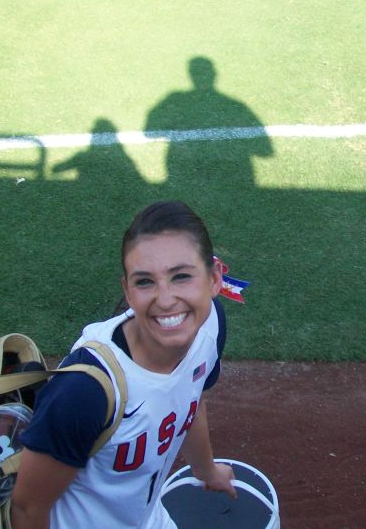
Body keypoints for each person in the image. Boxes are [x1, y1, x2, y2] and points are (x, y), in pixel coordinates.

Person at [12, 201, 237, 528]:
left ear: (214, 279)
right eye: (145, 281)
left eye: (181, 276)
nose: (165, 298)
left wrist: (207, 471)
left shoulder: (210, 326)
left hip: (149, 518)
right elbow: (27, 508)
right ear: (128, 291)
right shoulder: (84, 392)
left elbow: (192, 404)